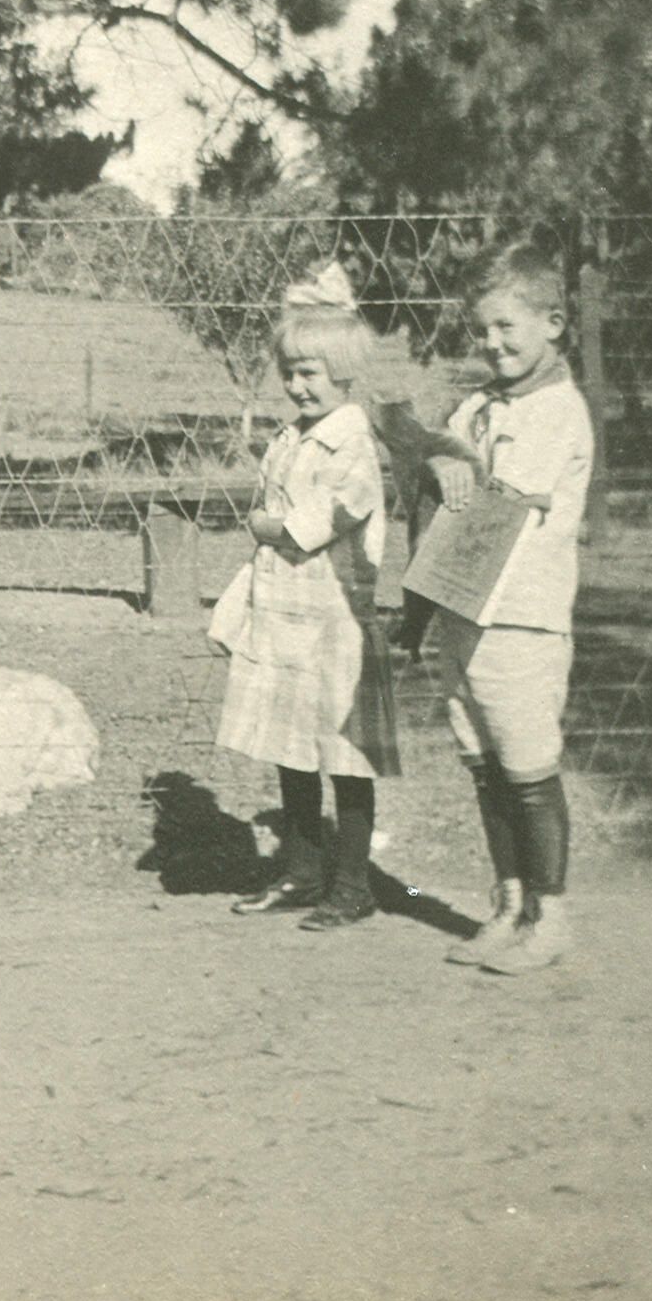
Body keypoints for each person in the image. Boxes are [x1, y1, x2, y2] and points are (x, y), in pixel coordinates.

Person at [209, 263, 399, 931]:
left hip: (335, 624)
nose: (297, 385)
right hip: (286, 615)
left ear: (344, 372)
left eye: (310, 372)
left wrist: (263, 525)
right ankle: (300, 869)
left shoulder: (353, 446)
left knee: (344, 757)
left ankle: (352, 884)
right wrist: (267, 523)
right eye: (289, 372)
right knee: (291, 747)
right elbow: (273, 512)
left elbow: (298, 527)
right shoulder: (291, 438)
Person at [428, 242, 594, 976]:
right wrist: (438, 459)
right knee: (485, 764)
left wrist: (452, 469)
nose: (492, 343)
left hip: (522, 616)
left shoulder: (558, 411)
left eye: (507, 327)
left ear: (553, 323)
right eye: (482, 330)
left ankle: (550, 919)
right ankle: (510, 906)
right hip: (464, 610)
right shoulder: (478, 406)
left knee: (527, 769)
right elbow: (439, 454)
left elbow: (500, 499)